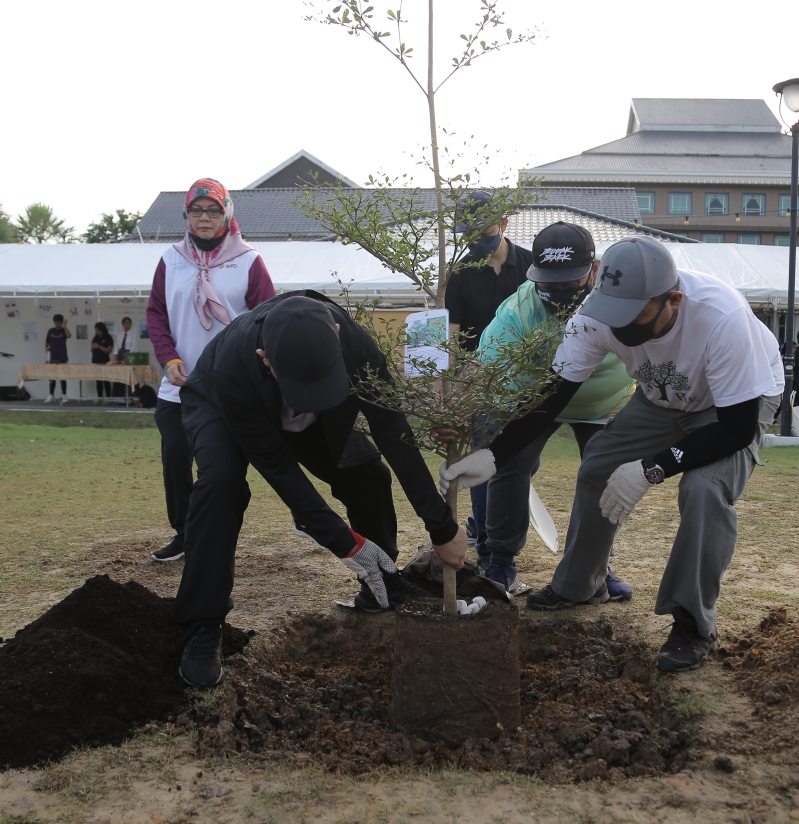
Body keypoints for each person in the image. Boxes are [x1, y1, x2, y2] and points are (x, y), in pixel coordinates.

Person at [441, 236, 784, 673]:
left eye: (633, 315)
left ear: (673, 300)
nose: (619, 326)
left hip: (730, 407)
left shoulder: (722, 318)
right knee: (598, 466)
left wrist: (652, 469)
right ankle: (580, 585)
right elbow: (552, 397)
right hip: (661, 400)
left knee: (703, 490)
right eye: (613, 311)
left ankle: (693, 625)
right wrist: (493, 455)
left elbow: (735, 429)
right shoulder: (595, 314)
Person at [174, 291, 469, 687]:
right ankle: (202, 624)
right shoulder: (235, 366)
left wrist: (441, 527)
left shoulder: (357, 346)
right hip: (221, 407)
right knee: (220, 485)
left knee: (368, 476)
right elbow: (280, 471)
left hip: (315, 420)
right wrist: (344, 543)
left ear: (335, 335)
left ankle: (381, 583)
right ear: (267, 359)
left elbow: (393, 433)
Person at [473, 222, 634, 598]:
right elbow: (489, 370)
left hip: (605, 400)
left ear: (593, 270)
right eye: (551, 282)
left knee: (603, 475)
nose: (560, 291)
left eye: (570, 281)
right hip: (540, 398)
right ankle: (499, 561)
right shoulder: (517, 311)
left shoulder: (621, 299)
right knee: (510, 461)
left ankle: (594, 565)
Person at [146, 178, 275, 563]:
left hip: (228, 387)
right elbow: (156, 313)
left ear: (227, 213)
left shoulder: (249, 260)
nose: (204, 217)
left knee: (220, 469)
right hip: (179, 385)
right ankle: (185, 532)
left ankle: (215, 532)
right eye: (197, 210)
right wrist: (168, 358)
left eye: (213, 209)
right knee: (175, 459)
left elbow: (267, 318)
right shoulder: (171, 259)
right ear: (186, 214)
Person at [442, 190, 535, 564]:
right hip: (477, 386)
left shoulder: (531, 266)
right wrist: (447, 393)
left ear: (504, 225)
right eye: (468, 234)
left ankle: (483, 526)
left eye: (484, 231)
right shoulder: (460, 275)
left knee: (521, 463)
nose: (477, 240)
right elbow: (451, 337)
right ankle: (487, 551)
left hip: (528, 384)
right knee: (482, 464)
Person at [44, 313, 71, 403]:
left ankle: (64, 395)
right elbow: (47, 342)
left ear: (61, 322)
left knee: (62, 376)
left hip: (62, 357)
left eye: (59, 322)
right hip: (52, 357)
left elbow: (68, 336)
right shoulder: (51, 331)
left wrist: (65, 326)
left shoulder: (64, 330)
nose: (57, 324)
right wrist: (46, 350)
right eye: (55, 322)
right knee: (52, 377)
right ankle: (51, 395)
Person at [90, 321, 114, 399]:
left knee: (106, 380)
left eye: (98, 330)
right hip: (95, 361)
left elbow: (109, 350)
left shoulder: (108, 337)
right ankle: (99, 397)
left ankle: (108, 397)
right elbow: (92, 350)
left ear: (102, 330)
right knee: (98, 380)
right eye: (96, 330)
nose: (97, 332)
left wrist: (99, 347)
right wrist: (93, 348)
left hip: (104, 361)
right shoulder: (95, 337)